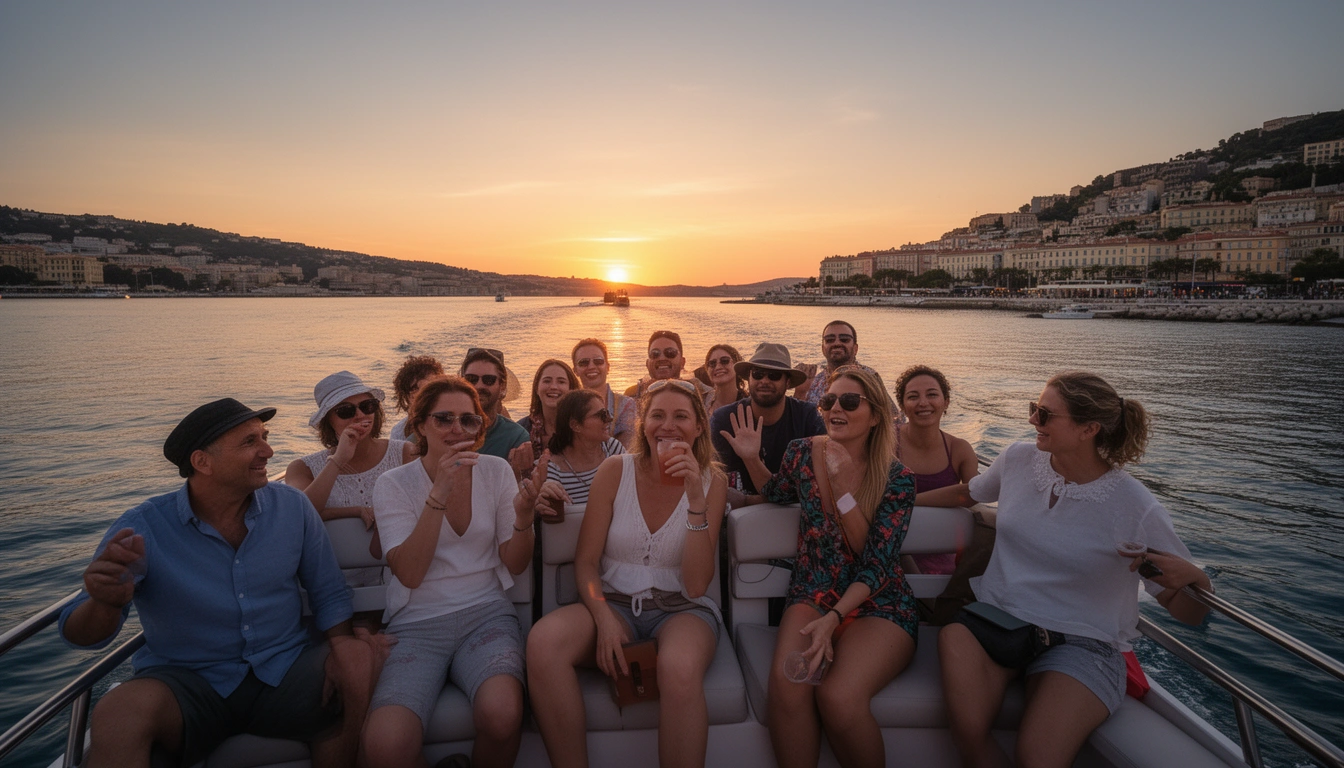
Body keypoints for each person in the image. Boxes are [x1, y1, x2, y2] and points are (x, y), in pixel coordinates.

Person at [58, 398, 379, 768]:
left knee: (357, 657)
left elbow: (328, 593)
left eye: (265, 437)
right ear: (202, 462)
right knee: (116, 711)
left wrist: (340, 649)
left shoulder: (292, 508)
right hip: (187, 682)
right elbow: (82, 635)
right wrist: (105, 602)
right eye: (249, 442)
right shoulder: (145, 526)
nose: (268, 451)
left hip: (285, 669)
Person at [923, 372, 1212, 768]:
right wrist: (897, 502)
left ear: (1088, 429)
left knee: (1037, 757)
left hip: (1082, 643)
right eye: (1033, 410)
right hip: (995, 620)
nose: (1032, 421)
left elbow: (1189, 613)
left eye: (1043, 415)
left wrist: (1197, 579)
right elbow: (966, 493)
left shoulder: (1134, 506)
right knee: (969, 736)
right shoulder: (1018, 460)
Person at [526, 378, 729, 768]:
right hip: (614, 601)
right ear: (643, 424)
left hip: (683, 608)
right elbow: (586, 562)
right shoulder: (614, 470)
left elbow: (697, 583)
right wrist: (603, 618)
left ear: (699, 427)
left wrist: (696, 500)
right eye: (657, 416)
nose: (667, 426)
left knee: (679, 666)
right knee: (543, 643)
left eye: (681, 417)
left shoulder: (711, 482)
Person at [364, 376, 565, 768]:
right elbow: (409, 573)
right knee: (385, 746)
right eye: (444, 419)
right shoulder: (394, 484)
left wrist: (524, 519)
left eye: (469, 421)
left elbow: (515, 562)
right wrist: (438, 492)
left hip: (486, 614)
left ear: (480, 428)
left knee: (503, 714)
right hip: (415, 626)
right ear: (420, 425)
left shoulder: (495, 472)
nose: (457, 429)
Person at [759, 366, 918, 768]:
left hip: (879, 602)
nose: (835, 409)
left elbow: (878, 565)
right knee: (788, 683)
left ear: (877, 414)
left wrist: (844, 490)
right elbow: (775, 492)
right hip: (813, 589)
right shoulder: (801, 453)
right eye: (829, 401)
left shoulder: (897, 480)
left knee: (838, 696)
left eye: (850, 401)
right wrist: (748, 456)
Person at [712, 342, 825, 505]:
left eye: (774, 375)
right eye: (757, 374)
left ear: (787, 383)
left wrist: (747, 500)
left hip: (792, 517)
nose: (764, 381)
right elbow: (712, 481)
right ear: (749, 378)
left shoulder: (807, 417)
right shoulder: (724, 419)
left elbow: (815, 488)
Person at [892, 365, 979, 574]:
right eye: (913, 397)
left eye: (932, 394)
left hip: (939, 553)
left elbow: (974, 493)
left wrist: (908, 502)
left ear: (946, 402)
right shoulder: (886, 443)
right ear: (902, 406)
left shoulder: (959, 449)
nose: (923, 403)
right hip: (890, 553)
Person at [546, 389, 626, 505]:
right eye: (601, 415)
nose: (609, 419)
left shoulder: (613, 448)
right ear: (575, 425)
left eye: (607, 413)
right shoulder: (555, 471)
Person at [459, 347, 531, 472]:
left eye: (488, 380)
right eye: (471, 379)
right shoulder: (444, 425)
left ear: (502, 386)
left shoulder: (515, 437)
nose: (479, 385)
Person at [791, 321, 885, 407]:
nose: (836, 343)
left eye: (844, 339)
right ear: (823, 349)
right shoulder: (814, 381)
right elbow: (796, 422)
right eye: (829, 340)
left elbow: (892, 418)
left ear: (855, 348)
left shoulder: (870, 377)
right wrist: (801, 392)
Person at [623, 330, 714, 411]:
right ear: (647, 363)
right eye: (655, 354)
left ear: (682, 362)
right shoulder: (632, 396)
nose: (662, 358)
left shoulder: (703, 395)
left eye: (670, 353)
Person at [572, 337, 637, 448]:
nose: (591, 366)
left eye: (598, 361)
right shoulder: (569, 407)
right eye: (583, 363)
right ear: (575, 370)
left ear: (607, 367)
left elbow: (626, 449)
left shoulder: (626, 405)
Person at [517, 358, 580, 461]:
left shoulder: (582, 428)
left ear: (571, 390)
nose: (554, 386)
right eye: (547, 381)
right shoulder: (521, 430)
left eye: (561, 382)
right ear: (537, 388)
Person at [389, 355, 445, 445]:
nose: (423, 394)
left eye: (430, 387)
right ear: (408, 396)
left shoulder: (453, 420)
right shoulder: (399, 432)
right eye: (415, 389)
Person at [702, 343, 748, 413]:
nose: (718, 367)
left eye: (725, 361)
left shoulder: (748, 406)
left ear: (736, 364)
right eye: (712, 363)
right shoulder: (702, 403)